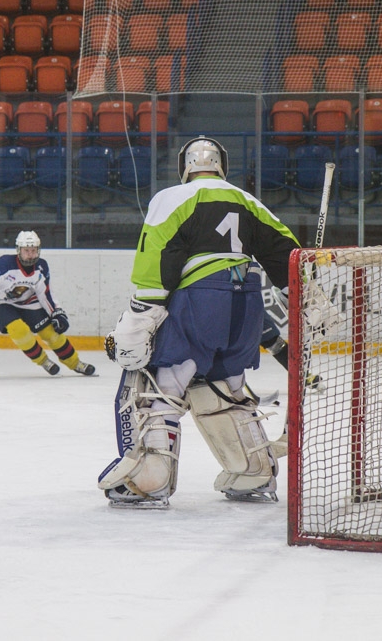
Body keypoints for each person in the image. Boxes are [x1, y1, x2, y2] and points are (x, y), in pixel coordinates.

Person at [99, 136, 300, 508]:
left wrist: (143, 315)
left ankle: (151, 479)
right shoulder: (247, 199)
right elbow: (285, 251)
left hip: (201, 299)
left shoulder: (172, 197)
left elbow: (157, 253)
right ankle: (254, 472)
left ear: (185, 166)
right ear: (221, 164)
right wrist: (306, 297)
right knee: (226, 388)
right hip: (248, 303)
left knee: (164, 384)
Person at [0, 230, 96, 377]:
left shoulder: (41, 267)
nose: (30, 255)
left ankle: (75, 363)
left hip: (27, 302)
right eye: (26, 251)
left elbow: (45, 294)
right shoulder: (3, 265)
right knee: (19, 330)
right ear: (18, 250)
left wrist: (57, 313)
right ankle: (44, 361)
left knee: (51, 332)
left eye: (34, 250)